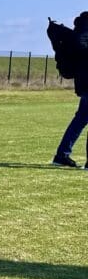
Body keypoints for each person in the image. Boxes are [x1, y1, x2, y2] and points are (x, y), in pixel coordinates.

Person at [53, 11, 88, 168]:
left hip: (83, 81)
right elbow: (81, 48)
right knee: (80, 120)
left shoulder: (80, 28)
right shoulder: (85, 29)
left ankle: (62, 155)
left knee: (79, 120)